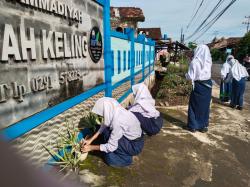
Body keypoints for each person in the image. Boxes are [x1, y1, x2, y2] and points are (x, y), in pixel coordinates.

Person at [81, 97, 144, 167]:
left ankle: (126, 159)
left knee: (108, 157)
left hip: (134, 145)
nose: (100, 115)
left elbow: (111, 147)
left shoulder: (118, 121)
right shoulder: (115, 110)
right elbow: (104, 125)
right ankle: (123, 151)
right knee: (105, 132)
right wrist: (90, 140)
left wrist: (91, 147)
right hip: (132, 138)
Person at [185, 45, 213, 133]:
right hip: (208, 85)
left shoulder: (195, 62)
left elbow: (190, 76)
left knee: (194, 105)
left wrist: (185, 75)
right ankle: (203, 126)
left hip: (199, 85)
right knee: (204, 106)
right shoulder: (209, 61)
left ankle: (192, 126)